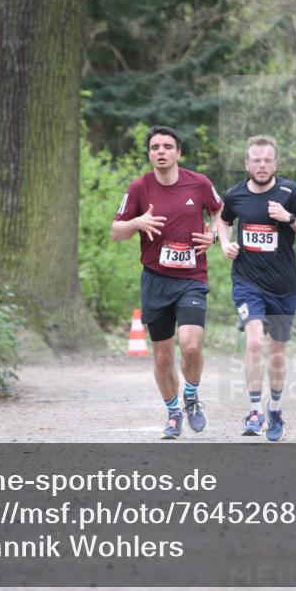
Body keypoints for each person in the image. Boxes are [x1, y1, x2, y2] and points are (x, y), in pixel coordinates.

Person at [112, 125, 224, 439]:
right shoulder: (138, 188)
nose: (161, 151)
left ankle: (192, 394)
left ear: (178, 152)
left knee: (190, 346)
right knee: (162, 356)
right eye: (155, 147)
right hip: (155, 281)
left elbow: (220, 211)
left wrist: (214, 235)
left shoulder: (199, 183)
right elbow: (116, 231)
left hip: (191, 279)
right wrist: (136, 222)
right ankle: (174, 412)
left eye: (167, 146)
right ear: (149, 153)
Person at [217, 135, 296, 441]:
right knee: (255, 342)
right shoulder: (235, 195)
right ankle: (254, 411)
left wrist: (288, 218)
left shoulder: (290, 192)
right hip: (248, 282)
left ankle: (274, 409)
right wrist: (225, 244)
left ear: (276, 163)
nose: (261, 166)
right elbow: (222, 220)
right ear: (247, 164)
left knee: (276, 352)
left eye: (267, 160)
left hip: (283, 285)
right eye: (256, 161)